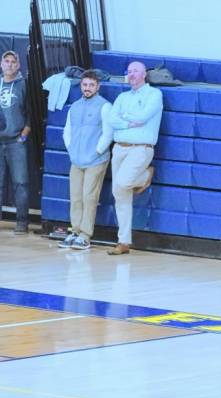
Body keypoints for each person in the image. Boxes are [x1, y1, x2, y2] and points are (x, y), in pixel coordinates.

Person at [107, 61, 162, 255]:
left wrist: (125, 118)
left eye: (135, 71)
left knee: (122, 183)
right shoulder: (122, 97)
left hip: (140, 148)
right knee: (119, 194)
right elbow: (112, 119)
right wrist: (128, 123)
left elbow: (142, 117)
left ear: (144, 74)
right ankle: (123, 242)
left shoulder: (154, 95)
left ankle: (145, 176)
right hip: (119, 148)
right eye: (129, 71)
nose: (131, 74)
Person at [58, 69, 113, 250]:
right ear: (80, 86)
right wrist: (72, 150)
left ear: (98, 86)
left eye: (91, 85)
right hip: (77, 159)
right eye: (84, 85)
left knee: (89, 197)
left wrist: (97, 152)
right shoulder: (74, 106)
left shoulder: (105, 106)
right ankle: (74, 231)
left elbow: (108, 133)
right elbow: (67, 131)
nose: (87, 88)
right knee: (75, 196)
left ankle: (85, 235)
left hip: (96, 160)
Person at [0, 50, 31, 234]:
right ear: (1, 64)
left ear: (18, 65)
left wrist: (22, 137)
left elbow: (31, 114)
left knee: (20, 183)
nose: (10, 64)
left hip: (15, 142)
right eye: (6, 61)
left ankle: (22, 222)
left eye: (13, 62)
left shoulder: (23, 85)